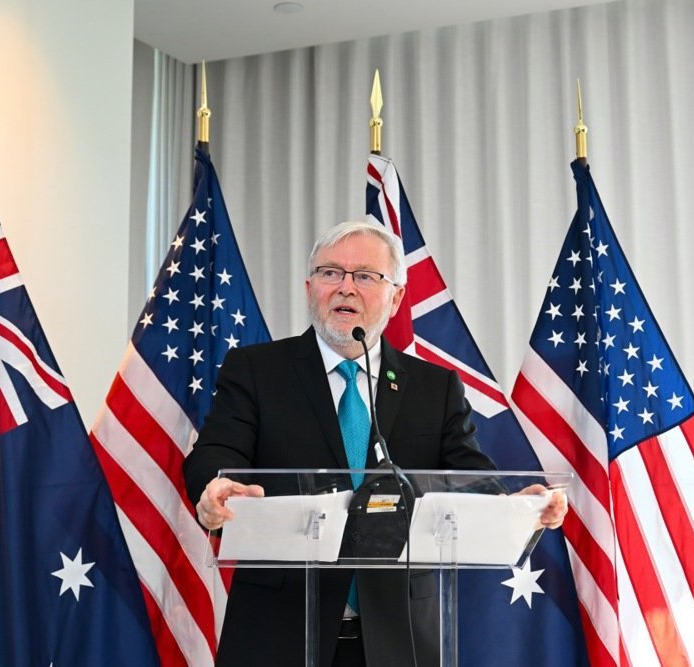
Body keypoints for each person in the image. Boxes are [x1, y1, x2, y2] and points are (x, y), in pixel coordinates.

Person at [184, 221, 567, 667]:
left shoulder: (434, 387)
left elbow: (470, 477)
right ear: (310, 288)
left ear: (396, 297)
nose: (345, 287)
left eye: (365, 276)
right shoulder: (256, 370)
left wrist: (512, 507)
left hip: (400, 636)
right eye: (331, 273)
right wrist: (217, 487)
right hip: (280, 631)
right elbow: (215, 454)